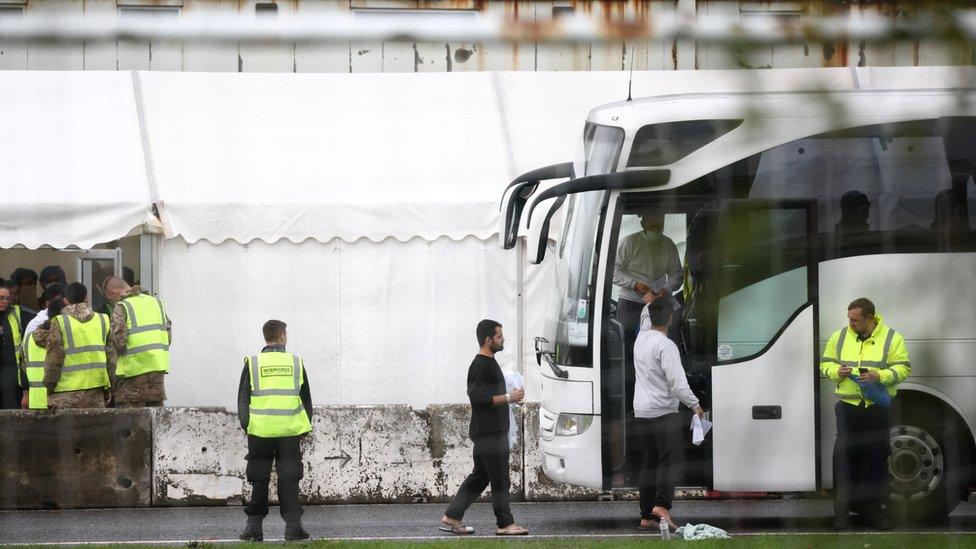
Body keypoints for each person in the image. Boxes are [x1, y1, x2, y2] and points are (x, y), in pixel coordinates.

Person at [820, 298, 910, 530]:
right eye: (849, 319)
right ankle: (842, 515)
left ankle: (876, 512)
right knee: (845, 461)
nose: (850, 324)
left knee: (876, 459)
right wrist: (835, 371)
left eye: (855, 320)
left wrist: (878, 376)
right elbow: (825, 364)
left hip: (876, 408)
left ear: (870, 318)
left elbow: (903, 368)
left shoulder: (892, 338)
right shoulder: (839, 337)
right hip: (848, 407)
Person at [610, 208, 683, 483]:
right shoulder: (628, 242)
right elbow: (614, 271)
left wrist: (666, 290)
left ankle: (659, 399)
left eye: (661, 218)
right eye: (653, 217)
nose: (658, 221)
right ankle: (636, 403)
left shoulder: (667, 244)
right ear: (643, 218)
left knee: (659, 352)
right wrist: (637, 285)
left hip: (658, 303)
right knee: (633, 357)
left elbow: (677, 274)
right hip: (631, 303)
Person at [440, 319, 528, 536]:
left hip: (489, 432)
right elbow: (478, 398)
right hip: (490, 433)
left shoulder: (489, 362)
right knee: (500, 480)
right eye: (499, 336)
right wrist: (509, 396)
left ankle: (452, 516)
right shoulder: (480, 365)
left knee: (480, 477)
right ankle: (505, 524)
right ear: (488, 340)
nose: (503, 339)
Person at [237, 320, 312, 542]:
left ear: (266, 337)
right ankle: (293, 528)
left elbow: (243, 398)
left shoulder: (253, 363)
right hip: (289, 431)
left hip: (260, 432)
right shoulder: (296, 362)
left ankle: (254, 529)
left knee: (259, 479)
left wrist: (246, 424)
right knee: (289, 479)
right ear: (282, 336)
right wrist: (305, 426)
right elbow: (306, 398)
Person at [633, 299, 704, 532]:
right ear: (671, 319)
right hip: (663, 412)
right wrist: (695, 405)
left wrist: (651, 300)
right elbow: (678, 384)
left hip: (642, 412)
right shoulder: (666, 346)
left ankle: (646, 515)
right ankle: (662, 505)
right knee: (671, 459)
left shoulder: (641, 339)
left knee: (648, 462)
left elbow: (647, 313)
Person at [103, 276, 172, 407]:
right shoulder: (156, 303)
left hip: (131, 378)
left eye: (110, 299)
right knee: (155, 420)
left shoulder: (122, 306)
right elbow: (168, 337)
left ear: (113, 293)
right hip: (156, 373)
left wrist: (110, 382)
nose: (112, 302)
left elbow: (118, 344)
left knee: (130, 422)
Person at [43, 282, 111, 409]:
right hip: (96, 392)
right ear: (87, 299)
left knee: (67, 429)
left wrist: (49, 386)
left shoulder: (59, 322)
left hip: (65, 394)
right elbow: (111, 358)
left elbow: (54, 359)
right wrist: (109, 388)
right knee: (95, 428)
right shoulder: (103, 320)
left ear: (65, 301)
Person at [20, 299, 66, 410]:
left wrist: (26, 393)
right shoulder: (63, 338)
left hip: (36, 401)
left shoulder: (28, 338)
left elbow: (22, 367)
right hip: (59, 401)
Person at [0, 282, 32, 409]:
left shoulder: (19, 314)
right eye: (1, 298)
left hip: (12, 375)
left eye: (7, 298)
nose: (5, 301)